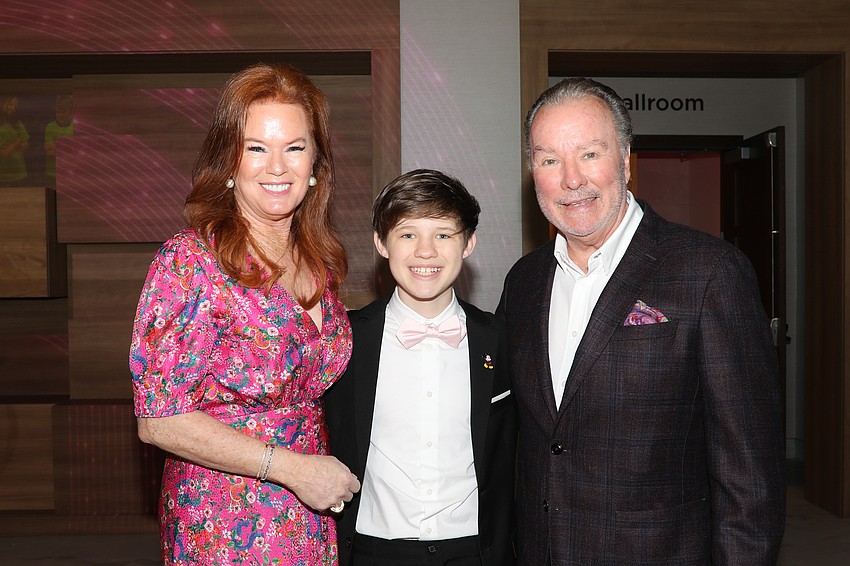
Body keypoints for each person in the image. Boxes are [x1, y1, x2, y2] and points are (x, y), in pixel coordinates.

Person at [497, 78, 786, 565]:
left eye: (590, 153)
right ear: (533, 172)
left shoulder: (709, 273)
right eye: (549, 160)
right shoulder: (524, 282)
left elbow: (750, 478)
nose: (571, 179)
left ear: (626, 160)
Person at [129, 62, 360, 565]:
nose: (277, 167)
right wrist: (293, 469)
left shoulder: (319, 262)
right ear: (229, 162)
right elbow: (159, 420)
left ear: (317, 164)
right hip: (226, 520)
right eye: (256, 147)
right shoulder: (191, 262)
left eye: (294, 148)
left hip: (311, 511)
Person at [325, 169, 517, 566]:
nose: (425, 251)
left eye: (443, 235)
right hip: (373, 552)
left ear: (469, 244)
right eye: (408, 234)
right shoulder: (344, 339)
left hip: (477, 552)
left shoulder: (500, 339)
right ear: (382, 243)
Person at [0, 95, 29, 186]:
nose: (13, 108)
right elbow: (5, 153)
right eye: (11, 104)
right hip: (3, 175)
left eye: (15, 107)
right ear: (4, 103)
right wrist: (17, 142)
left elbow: (26, 145)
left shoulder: (18, 123)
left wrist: (13, 145)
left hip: (19, 173)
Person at [44, 94, 73, 179]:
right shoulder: (50, 127)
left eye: (63, 112)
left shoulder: (75, 127)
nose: (60, 115)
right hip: (52, 173)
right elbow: (49, 152)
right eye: (58, 112)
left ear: (70, 112)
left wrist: (55, 147)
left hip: (70, 173)